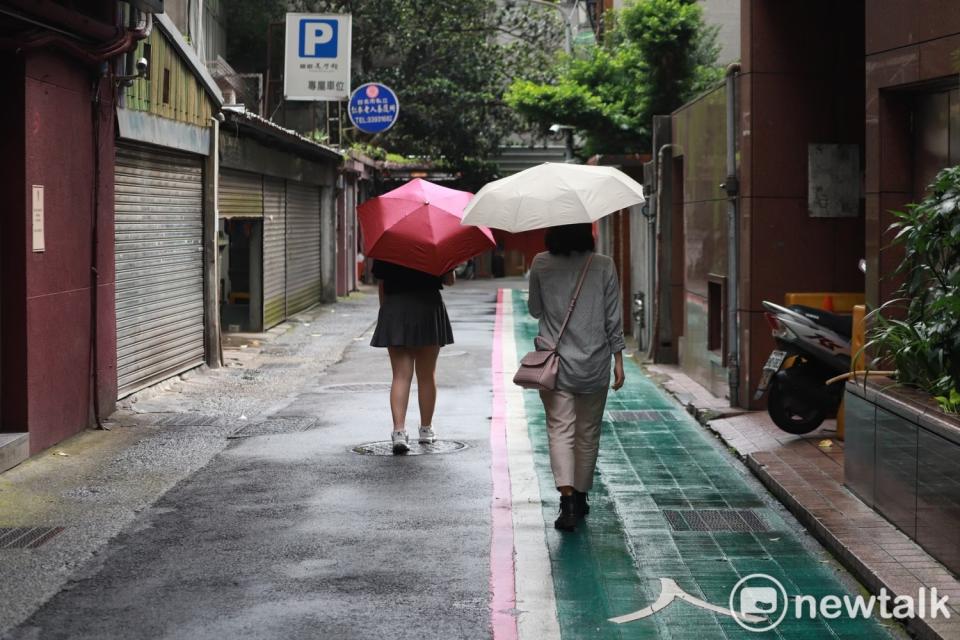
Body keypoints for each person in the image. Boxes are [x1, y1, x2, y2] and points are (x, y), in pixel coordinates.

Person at [527, 223, 625, 532]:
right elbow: (613, 316)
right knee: (587, 431)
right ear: (587, 233)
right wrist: (619, 358)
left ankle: (567, 501)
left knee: (560, 430)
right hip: (595, 361)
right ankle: (581, 494)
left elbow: (534, 309)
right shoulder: (604, 265)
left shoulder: (540, 263)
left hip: (554, 363)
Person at [370, 259, 455, 454]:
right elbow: (449, 280)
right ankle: (426, 430)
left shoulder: (388, 246)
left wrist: (386, 312)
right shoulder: (435, 244)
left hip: (396, 307)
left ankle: (399, 432)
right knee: (426, 374)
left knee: (400, 375)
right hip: (428, 307)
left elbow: (382, 284)